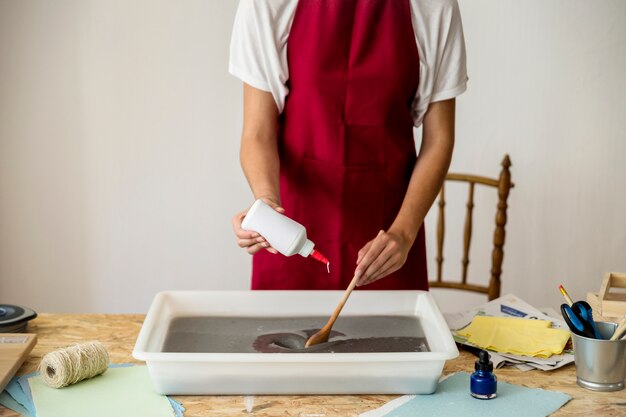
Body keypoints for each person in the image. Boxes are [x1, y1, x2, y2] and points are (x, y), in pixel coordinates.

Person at [229, 0, 467, 290]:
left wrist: (403, 233)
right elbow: (257, 132)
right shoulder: (267, 4)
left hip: (388, 243)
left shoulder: (435, 6)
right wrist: (266, 203)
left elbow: (439, 139)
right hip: (289, 235)